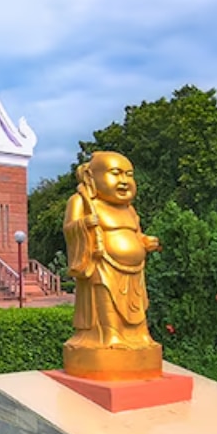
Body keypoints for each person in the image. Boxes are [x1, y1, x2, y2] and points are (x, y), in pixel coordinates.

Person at [64, 151, 161, 361]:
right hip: (102, 264)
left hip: (134, 270)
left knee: (138, 303)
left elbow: (135, 232)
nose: (124, 181)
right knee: (105, 296)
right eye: (115, 173)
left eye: (129, 174)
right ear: (92, 177)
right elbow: (69, 228)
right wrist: (84, 225)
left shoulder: (129, 209)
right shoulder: (81, 202)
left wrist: (144, 241)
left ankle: (140, 335)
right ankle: (110, 336)